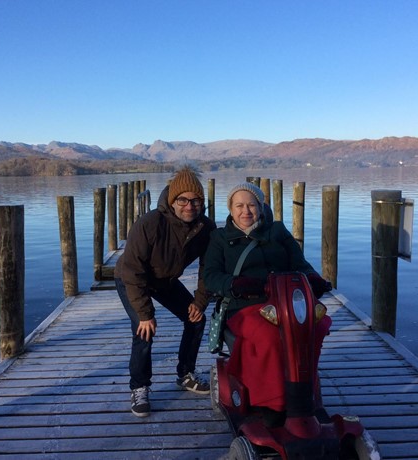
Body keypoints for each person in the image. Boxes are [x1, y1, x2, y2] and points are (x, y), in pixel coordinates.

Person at [203, 182, 332, 424]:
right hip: (244, 304)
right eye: (239, 205)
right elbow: (210, 276)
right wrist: (234, 284)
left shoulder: (278, 232)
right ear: (230, 209)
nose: (246, 211)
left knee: (318, 326)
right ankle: (272, 402)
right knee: (270, 337)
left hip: (284, 301)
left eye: (252, 205)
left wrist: (314, 279)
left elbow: (300, 264)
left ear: (261, 208)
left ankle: (305, 394)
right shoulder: (219, 238)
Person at [114, 166, 217, 418]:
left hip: (164, 280)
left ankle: (186, 373)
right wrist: (145, 313)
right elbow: (133, 270)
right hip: (130, 279)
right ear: (172, 200)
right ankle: (139, 386)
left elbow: (210, 267)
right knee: (143, 329)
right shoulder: (149, 224)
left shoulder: (205, 228)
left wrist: (200, 301)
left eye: (195, 200)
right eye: (183, 199)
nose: (189, 206)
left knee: (196, 319)